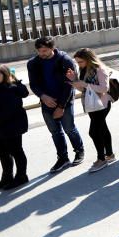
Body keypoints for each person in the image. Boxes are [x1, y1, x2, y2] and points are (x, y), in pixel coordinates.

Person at [27, 36, 85, 173]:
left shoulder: (64, 61)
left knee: (69, 128)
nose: (42, 54)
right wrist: (43, 96)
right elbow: (34, 84)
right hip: (47, 102)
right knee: (55, 132)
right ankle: (63, 158)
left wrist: (61, 107)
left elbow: (68, 86)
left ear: (52, 48)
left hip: (64, 101)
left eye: (45, 51)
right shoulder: (33, 63)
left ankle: (79, 151)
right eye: (39, 51)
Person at [66, 48, 115, 173]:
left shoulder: (100, 69)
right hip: (91, 105)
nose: (79, 64)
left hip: (102, 105)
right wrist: (74, 81)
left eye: (81, 61)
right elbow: (83, 90)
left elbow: (104, 88)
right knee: (103, 129)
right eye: (77, 62)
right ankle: (109, 154)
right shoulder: (83, 70)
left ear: (88, 59)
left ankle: (101, 159)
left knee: (94, 132)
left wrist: (84, 84)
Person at [0, 64, 29, 191]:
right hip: (1, 127)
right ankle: (7, 178)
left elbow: (8, 111)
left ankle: (21, 176)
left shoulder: (10, 89)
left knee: (16, 151)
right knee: (2, 152)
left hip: (12, 126)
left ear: (5, 75)